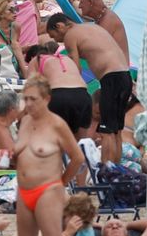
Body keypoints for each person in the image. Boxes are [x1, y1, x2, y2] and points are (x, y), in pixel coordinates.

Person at [14, 77, 83, 236]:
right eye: (25, 99)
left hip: (48, 189)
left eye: (33, 99)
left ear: (46, 99)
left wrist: (61, 183)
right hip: (24, 190)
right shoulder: (24, 122)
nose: (29, 104)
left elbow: (77, 158)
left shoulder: (57, 125)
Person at [45, 15, 131, 164]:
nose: (58, 41)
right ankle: (116, 173)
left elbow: (75, 68)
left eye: (55, 36)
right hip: (125, 76)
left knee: (106, 132)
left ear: (60, 26)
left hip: (111, 78)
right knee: (116, 130)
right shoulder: (93, 27)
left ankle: (106, 174)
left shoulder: (71, 35)